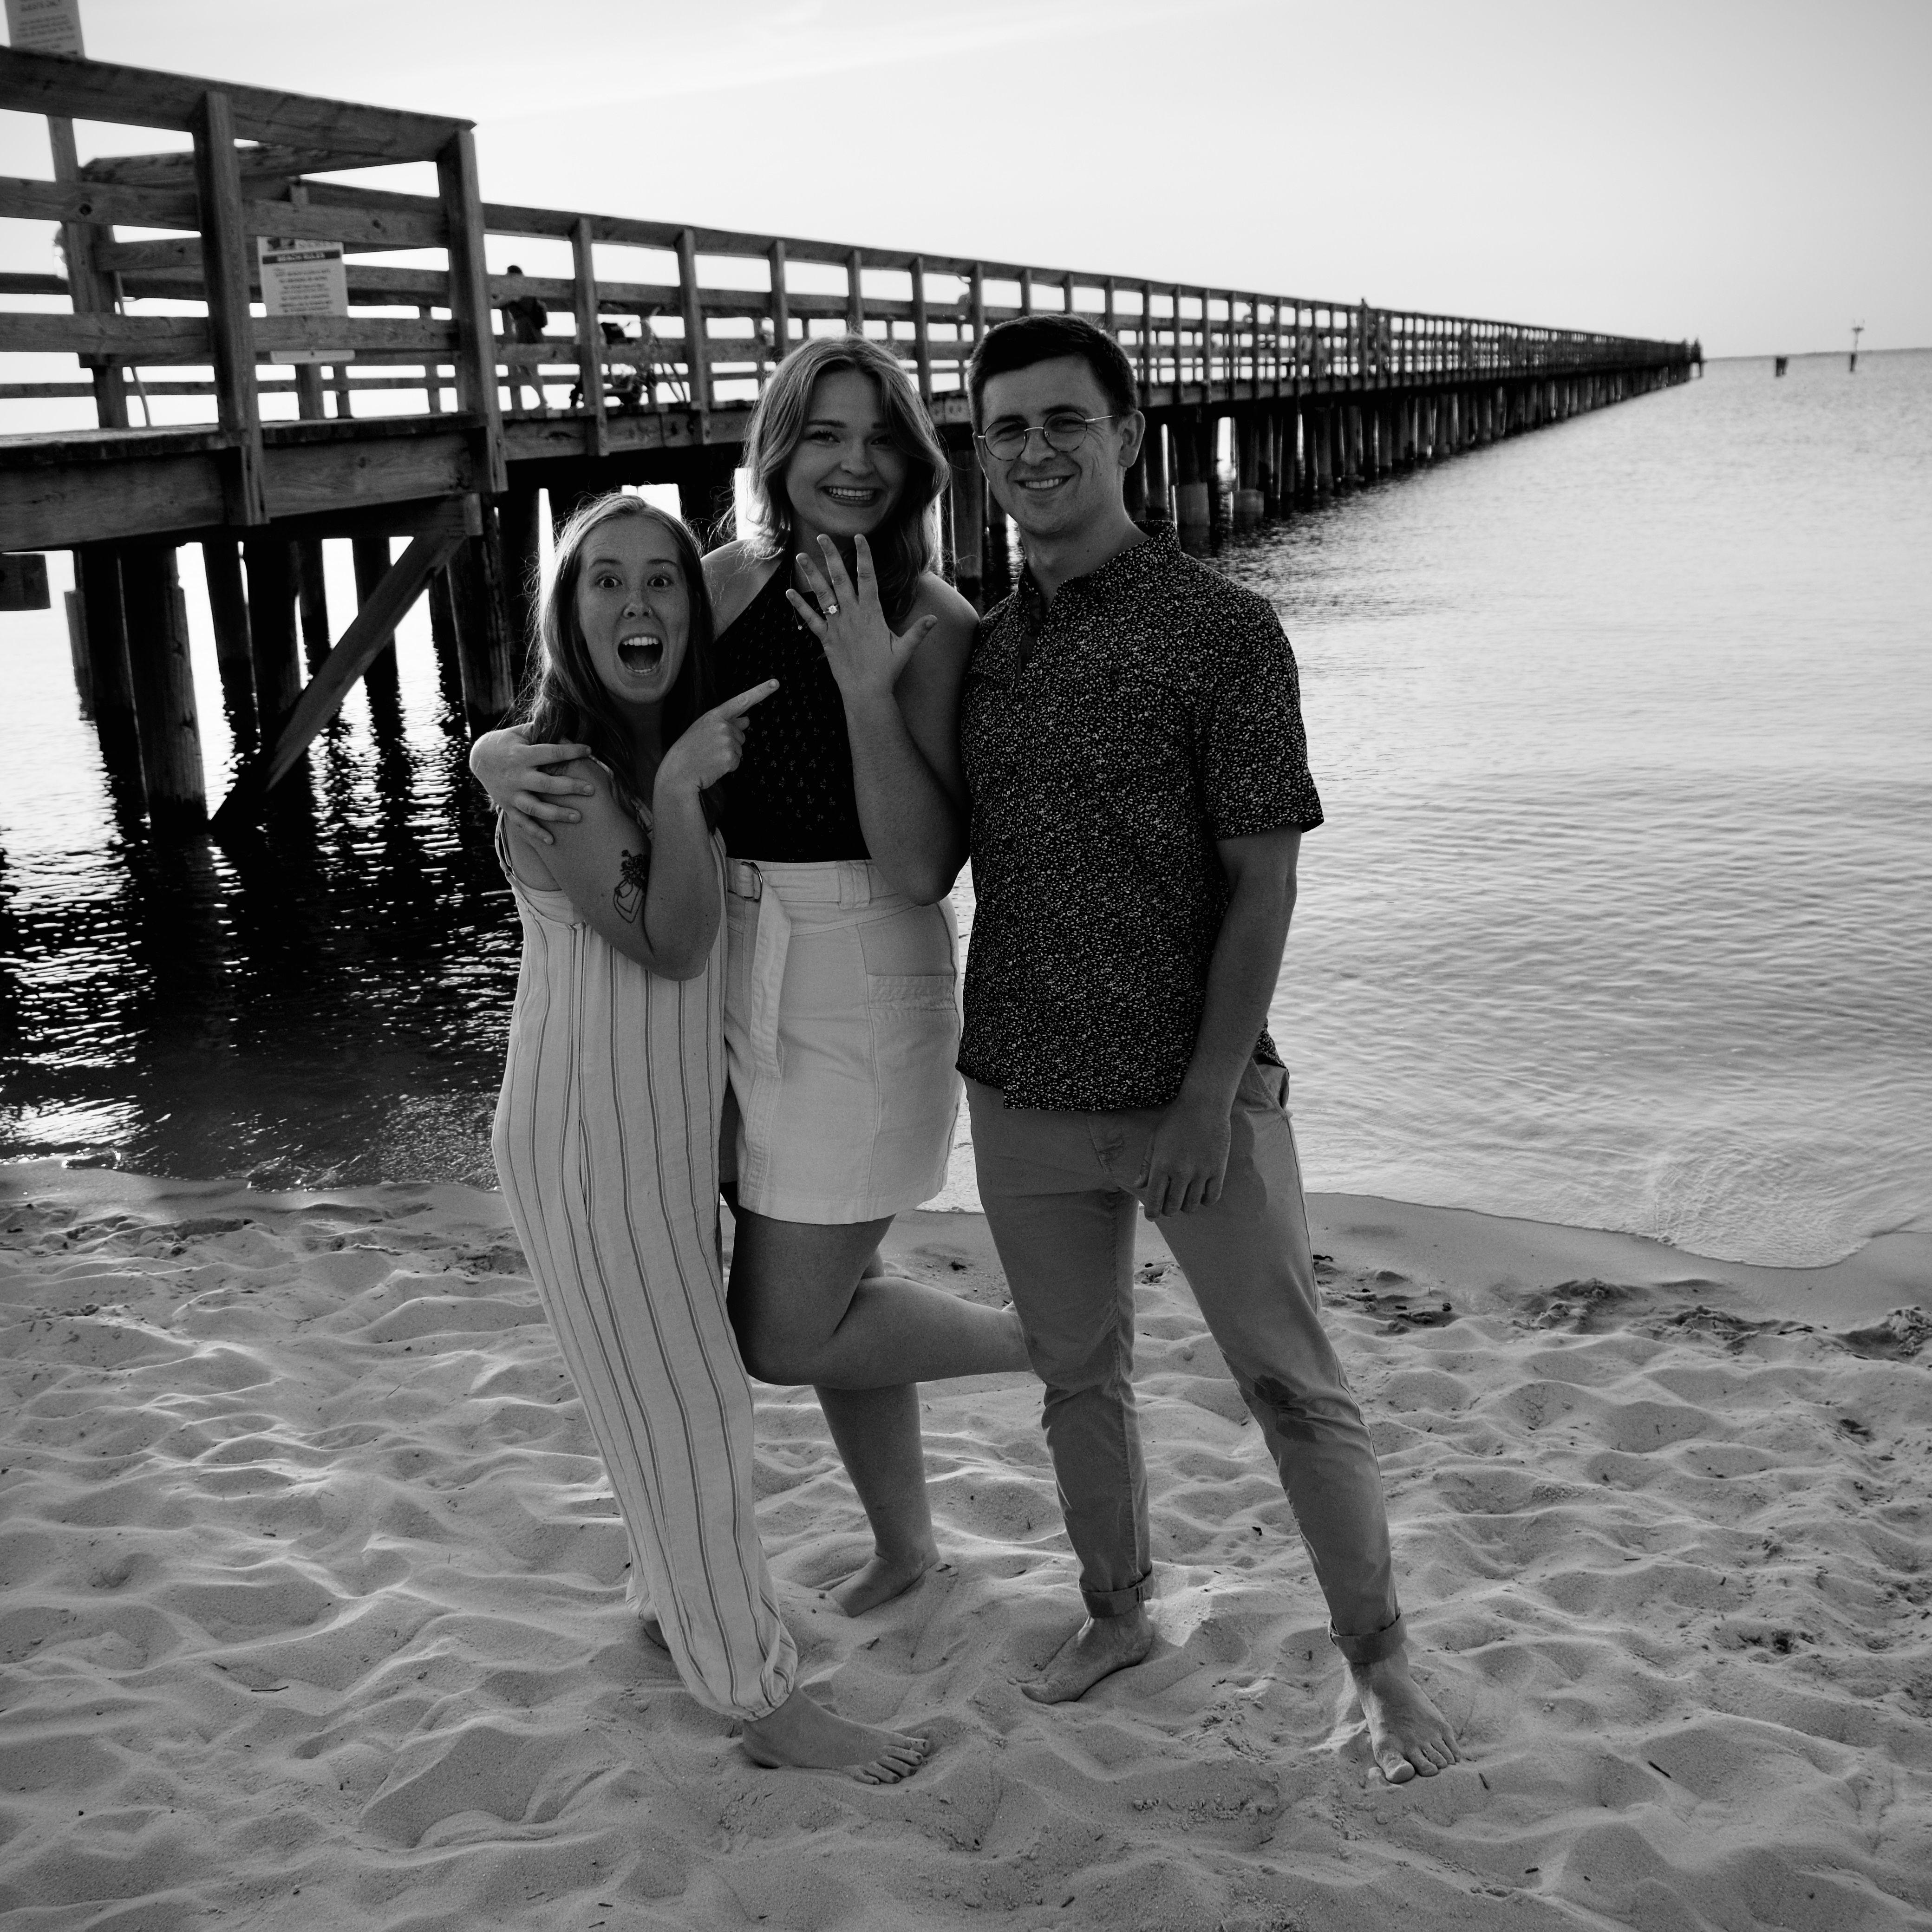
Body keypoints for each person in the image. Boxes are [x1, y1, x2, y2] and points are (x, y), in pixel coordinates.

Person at [959, 313, 1461, 1785]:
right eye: (1006, 428)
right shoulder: (984, 650)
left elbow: (1265, 883)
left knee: (1291, 1383)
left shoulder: (1222, 632)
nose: (1036, 450)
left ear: (1127, 434)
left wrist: (1204, 1097)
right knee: (1077, 1377)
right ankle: (1118, 1613)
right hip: (1020, 1083)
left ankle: (1380, 1661)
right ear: (980, 456)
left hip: (1197, 1098)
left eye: (1064, 421)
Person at [473, 336, 1031, 1617]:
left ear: (913, 460)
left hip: (858, 971)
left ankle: (1054, 1342)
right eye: (823, 433)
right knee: (832, 1285)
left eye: (878, 436)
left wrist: (865, 689)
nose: (852, 462)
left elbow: (920, 868)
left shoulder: (937, 623)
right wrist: (493, 755)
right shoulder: (722, 583)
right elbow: (600, 718)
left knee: (783, 1327)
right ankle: (906, 1544)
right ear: (778, 450)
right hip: (724, 962)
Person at [490, 490, 927, 1781]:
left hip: (649, 1139)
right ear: (566, 615)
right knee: (692, 1410)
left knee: (657, 1394)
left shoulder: (620, 749)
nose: (639, 603)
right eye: (605, 581)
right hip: (592, 1142)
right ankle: (760, 1700)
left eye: (662, 580)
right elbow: (674, 944)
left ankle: (670, 1605)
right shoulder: (573, 780)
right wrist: (679, 792)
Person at [500, 265, 550, 416]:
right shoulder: (528, 290)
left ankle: (543, 401)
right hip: (533, 330)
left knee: (531, 367)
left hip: (526, 330)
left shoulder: (515, 292)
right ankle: (542, 400)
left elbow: (497, 303)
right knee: (526, 366)